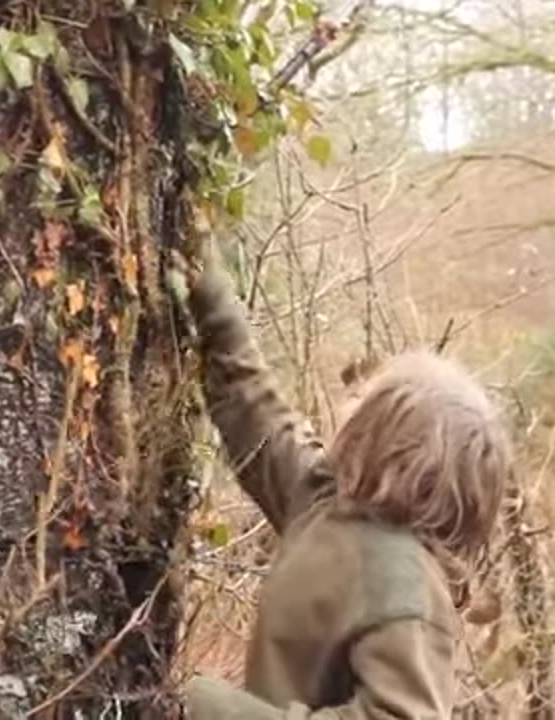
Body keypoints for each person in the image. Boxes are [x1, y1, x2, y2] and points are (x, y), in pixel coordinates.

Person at [179, 250, 512, 719]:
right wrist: (211, 297)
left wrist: (213, 710)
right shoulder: (326, 501)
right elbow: (254, 408)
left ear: (391, 443)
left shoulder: (408, 591)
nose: (351, 402)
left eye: (369, 402)